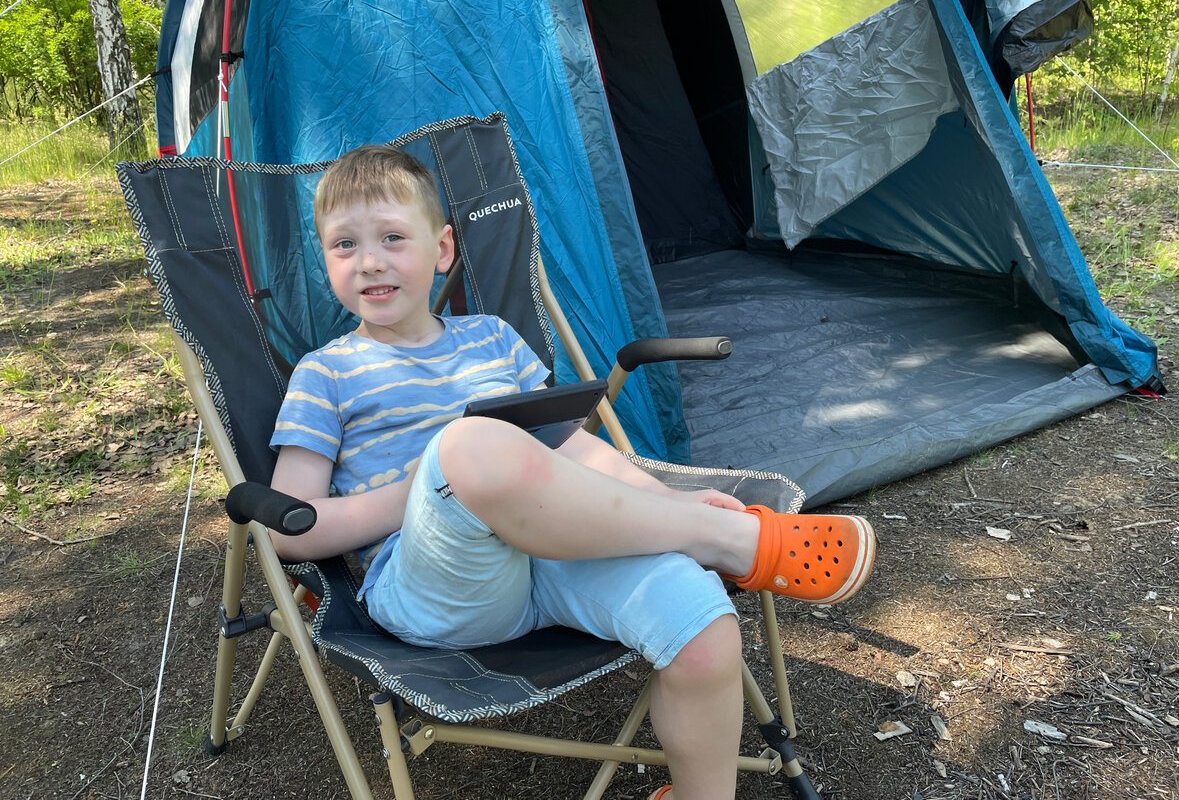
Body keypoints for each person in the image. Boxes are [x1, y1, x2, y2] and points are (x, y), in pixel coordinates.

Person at [268, 145, 876, 800]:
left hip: (553, 558)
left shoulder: (494, 339)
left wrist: (661, 498)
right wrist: (424, 480)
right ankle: (728, 541)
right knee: (470, 447)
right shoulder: (324, 375)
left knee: (703, 626)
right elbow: (291, 529)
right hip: (438, 587)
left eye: (392, 237)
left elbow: (571, 450)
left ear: (443, 248)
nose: (370, 261)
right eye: (344, 245)